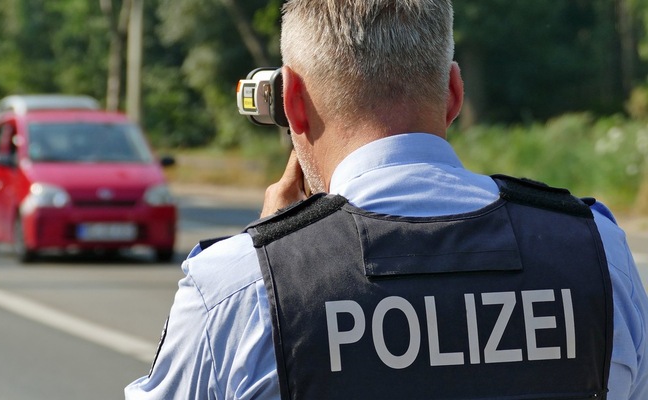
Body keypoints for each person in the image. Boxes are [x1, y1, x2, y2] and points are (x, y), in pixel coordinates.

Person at [125, 0, 648, 398]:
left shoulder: (237, 291)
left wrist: (275, 254)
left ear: (292, 104)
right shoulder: (598, 253)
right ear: (453, 94)